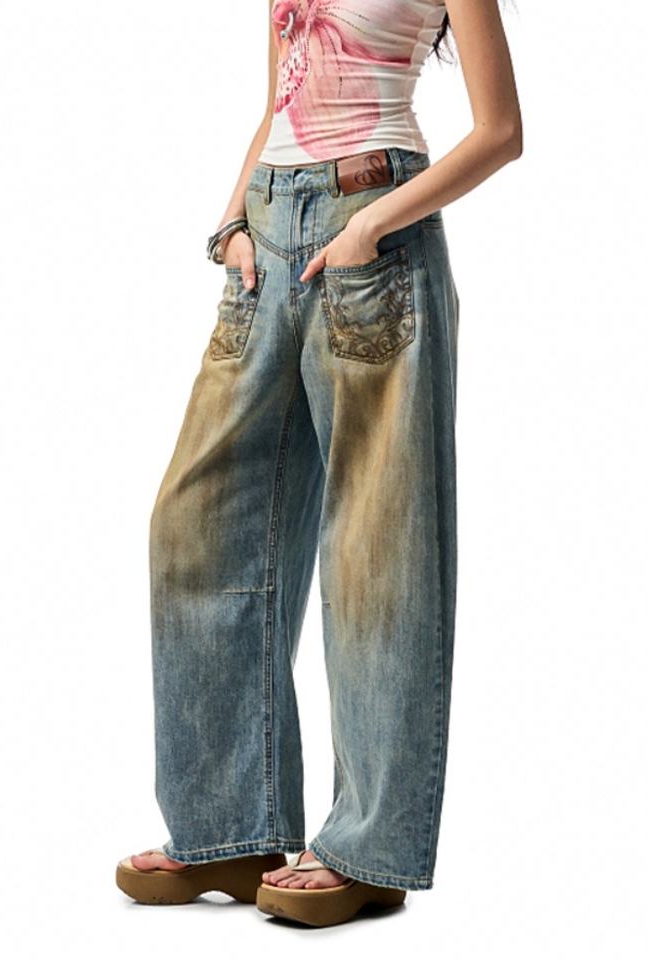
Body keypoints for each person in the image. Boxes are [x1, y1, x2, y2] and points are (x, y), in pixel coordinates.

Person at [116, 0, 522, 927]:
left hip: (374, 233)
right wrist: (230, 226)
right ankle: (232, 831)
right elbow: (279, 105)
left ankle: (369, 852)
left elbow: (501, 131)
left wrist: (371, 227)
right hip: (263, 244)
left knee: (377, 547)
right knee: (194, 525)